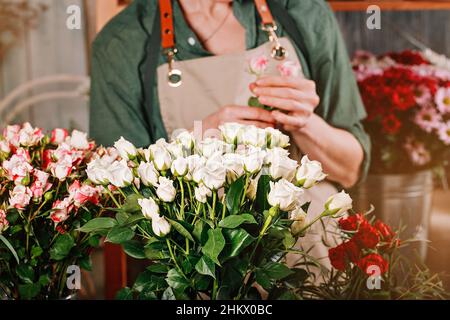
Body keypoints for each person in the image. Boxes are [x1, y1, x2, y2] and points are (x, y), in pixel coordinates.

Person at [90, 0, 371, 271]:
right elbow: (120, 205)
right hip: (200, 272)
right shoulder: (122, 42)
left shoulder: (302, 11)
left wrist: (305, 123)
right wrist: (197, 141)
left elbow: (350, 170)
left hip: (314, 258)